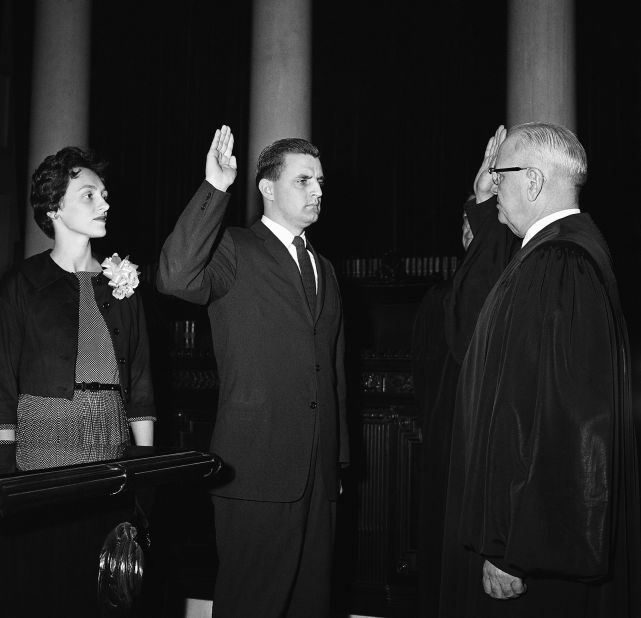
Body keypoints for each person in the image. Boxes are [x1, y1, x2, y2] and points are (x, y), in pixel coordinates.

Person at [439, 122, 641, 617]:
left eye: (499, 173)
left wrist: (512, 546)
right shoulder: (559, 251)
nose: (494, 182)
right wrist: (483, 200)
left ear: (531, 181)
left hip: (532, 553)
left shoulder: (560, 263)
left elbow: (558, 424)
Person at [156, 125, 349, 617]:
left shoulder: (324, 266)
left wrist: (338, 459)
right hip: (255, 470)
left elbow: (332, 368)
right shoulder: (234, 248)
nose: (318, 191)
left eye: (321, 182)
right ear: (267, 186)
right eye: (304, 180)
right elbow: (175, 276)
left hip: (318, 475)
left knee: (311, 604)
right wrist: (215, 188)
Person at [412, 127, 519, 616]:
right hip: (442, 451)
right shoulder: (440, 301)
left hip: (478, 462)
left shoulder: (502, 293)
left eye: (478, 223)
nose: (468, 230)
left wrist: (484, 204)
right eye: (465, 222)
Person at [0, 146, 155, 474]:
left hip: (111, 439)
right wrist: (4, 466)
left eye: (104, 194)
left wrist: (146, 466)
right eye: (89, 195)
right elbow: (2, 382)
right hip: (43, 443)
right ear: (54, 207)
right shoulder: (21, 283)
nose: (105, 204)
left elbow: (140, 380)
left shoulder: (122, 280)